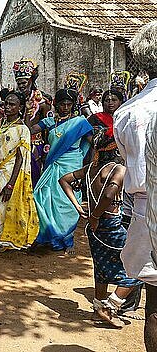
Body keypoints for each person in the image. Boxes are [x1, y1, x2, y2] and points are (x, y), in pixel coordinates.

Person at [60, 118, 142, 328]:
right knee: (137, 269)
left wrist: (80, 208)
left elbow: (64, 180)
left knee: (101, 267)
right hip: (111, 225)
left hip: (94, 228)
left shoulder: (90, 169)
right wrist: (95, 215)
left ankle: (98, 309)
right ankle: (110, 306)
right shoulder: (118, 170)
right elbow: (108, 194)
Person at [114, 21, 157, 351]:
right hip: (146, 213)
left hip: (145, 215)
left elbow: (136, 176)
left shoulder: (130, 111)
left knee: (155, 307)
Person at [30, 88, 93, 253]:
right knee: (41, 197)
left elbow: (92, 141)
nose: (65, 107)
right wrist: (30, 110)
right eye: (62, 104)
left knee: (67, 202)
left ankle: (66, 238)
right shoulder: (50, 122)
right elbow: (30, 129)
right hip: (52, 165)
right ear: (56, 105)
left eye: (68, 104)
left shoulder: (80, 122)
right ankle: (49, 233)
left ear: (73, 105)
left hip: (72, 166)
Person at [0, 91, 39, 251]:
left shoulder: (23, 129)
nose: (8, 107)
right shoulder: (2, 124)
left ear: (20, 107)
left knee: (4, 206)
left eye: (12, 104)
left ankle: (4, 241)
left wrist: (11, 184)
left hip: (10, 173)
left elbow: (21, 158)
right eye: (6, 104)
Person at [13, 59, 51, 186]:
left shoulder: (43, 103)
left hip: (36, 145)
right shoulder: (16, 100)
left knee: (34, 180)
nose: (21, 86)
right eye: (19, 83)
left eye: (24, 82)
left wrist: (46, 150)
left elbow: (49, 127)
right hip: (17, 144)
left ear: (31, 80)